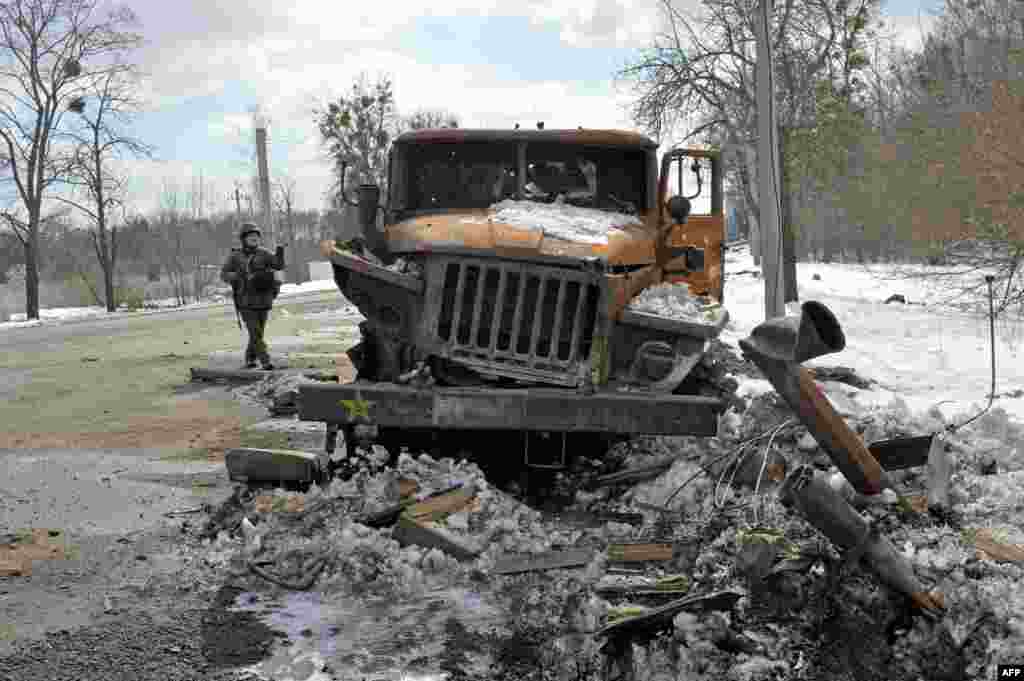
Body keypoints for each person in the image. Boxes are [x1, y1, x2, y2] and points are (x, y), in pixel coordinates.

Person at [221, 224, 285, 370]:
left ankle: (250, 358)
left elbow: (278, 265)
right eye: (251, 237)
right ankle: (265, 361)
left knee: (257, 333)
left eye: (256, 236)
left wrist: (280, 251)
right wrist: (237, 276)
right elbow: (224, 274)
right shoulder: (235, 256)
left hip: (264, 299)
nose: (254, 239)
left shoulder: (264, 253)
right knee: (255, 332)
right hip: (245, 301)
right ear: (244, 239)